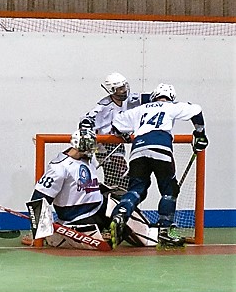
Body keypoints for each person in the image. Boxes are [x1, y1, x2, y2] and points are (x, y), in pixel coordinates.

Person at [110, 83, 208, 248]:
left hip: (138, 149)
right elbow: (196, 110)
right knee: (169, 190)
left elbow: (117, 122)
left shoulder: (140, 109)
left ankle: (120, 215)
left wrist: (124, 134)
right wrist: (200, 133)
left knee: (136, 189)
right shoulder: (171, 106)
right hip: (161, 146)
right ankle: (164, 232)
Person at [29, 119, 110, 248]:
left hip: (97, 210)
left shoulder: (88, 160)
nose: (92, 150)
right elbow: (38, 199)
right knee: (107, 246)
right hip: (77, 218)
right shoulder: (59, 168)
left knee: (121, 202)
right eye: (89, 146)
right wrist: (40, 234)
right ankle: (56, 238)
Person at [82, 72, 151, 195]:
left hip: (118, 144)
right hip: (103, 145)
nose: (124, 91)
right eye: (120, 89)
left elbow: (149, 98)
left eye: (124, 87)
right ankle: (111, 199)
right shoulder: (104, 106)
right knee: (120, 175)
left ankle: (109, 200)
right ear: (112, 90)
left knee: (115, 179)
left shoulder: (129, 100)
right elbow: (86, 121)